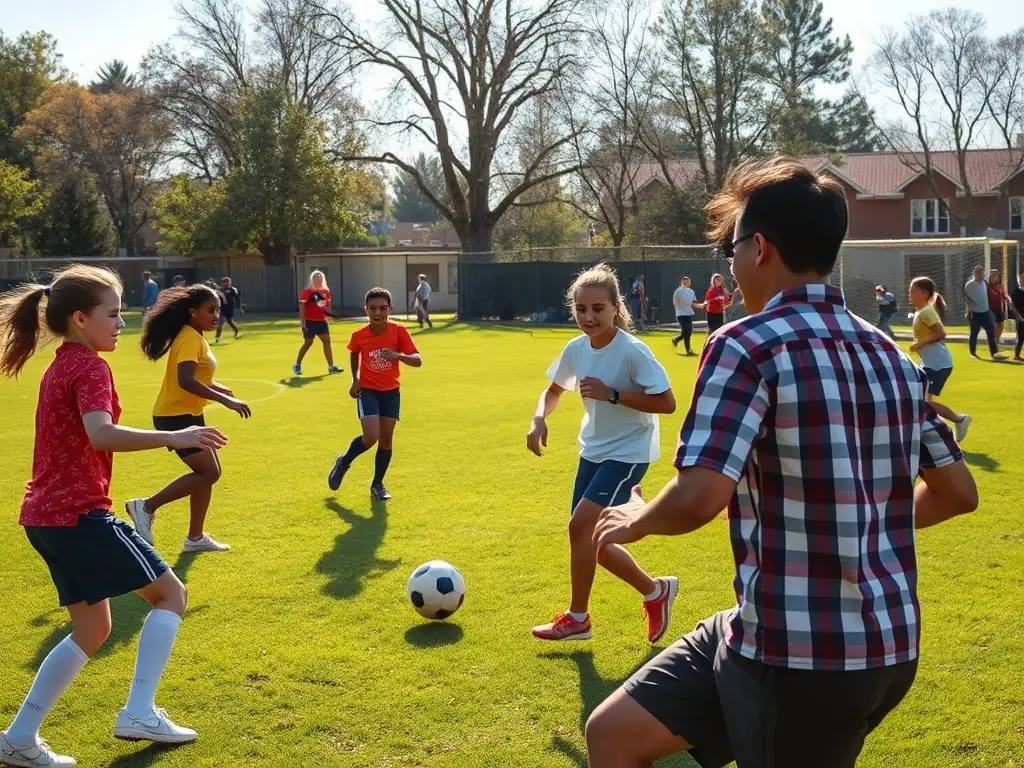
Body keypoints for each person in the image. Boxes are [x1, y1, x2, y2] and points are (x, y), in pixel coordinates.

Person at [584, 157, 978, 768]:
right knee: (613, 735)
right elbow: (957, 492)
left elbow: (699, 497)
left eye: (733, 247)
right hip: (878, 639)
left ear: (759, 247)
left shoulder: (743, 345)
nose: (731, 264)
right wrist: (856, 522)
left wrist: (635, 520)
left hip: (801, 657)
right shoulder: (894, 358)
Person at [0, 266, 228, 767]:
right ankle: (140, 711)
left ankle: (18, 739)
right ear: (80, 319)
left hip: (43, 517)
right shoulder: (89, 367)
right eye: (113, 313)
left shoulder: (61, 364)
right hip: (78, 514)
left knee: (92, 630)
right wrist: (177, 436)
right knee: (171, 594)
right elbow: (101, 433)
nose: (122, 322)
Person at [526, 263, 678, 644]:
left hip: (630, 450)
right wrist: (539, 418)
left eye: (597, 308)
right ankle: (655, 590)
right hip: (593, 450)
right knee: (595, 544)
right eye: (581, 309)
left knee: (580, 528)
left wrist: (612, 393)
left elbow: (667, 402)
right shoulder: (576, 349)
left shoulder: (632, 351)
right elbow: (554, 391)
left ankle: (578, 619)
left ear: (615, 308)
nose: (588, 317)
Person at [124, 284, 252, 555]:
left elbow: (196, 375)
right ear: (192, 312)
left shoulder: (194, 334)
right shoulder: (191, 337)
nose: (216, 316)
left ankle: (195, 538)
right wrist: (225, 400)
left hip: (188, 414)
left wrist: (217, 387)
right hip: (175, 416)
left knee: (206, 474)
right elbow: (185, 381)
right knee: (210, 472)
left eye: (218, 310)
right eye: (210, 310)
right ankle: (145, 506)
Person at [328, 288, 421, 501]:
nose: (377, 312)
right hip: (368, 390)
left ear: (390, 309)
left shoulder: (399, 331)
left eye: (382, 308)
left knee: (386, 439)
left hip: (391, 391)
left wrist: (398, 355)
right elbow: (354, 352)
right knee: (371, 437)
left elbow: (418, 360)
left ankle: (377, 484)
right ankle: (343, 462)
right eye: (372, 309)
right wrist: (355, 380)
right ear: (366, 310)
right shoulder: (359, 335)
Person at [909, 277, 971, 441]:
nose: (909, 294)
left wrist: (919, 344)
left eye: (912, 290)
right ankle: (932, 431)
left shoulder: (927, 312)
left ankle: (960, 419)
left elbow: (941, 333)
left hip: (938, 364)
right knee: (921, 401)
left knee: (924, 403)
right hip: (931, 363)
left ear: (924, 293)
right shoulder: (920, 311)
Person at [294, 270, 342, 376]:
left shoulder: (326, 292)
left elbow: (327, 307)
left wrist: (331, 317)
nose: (318, 278)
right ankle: (297, 364)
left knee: (326, 341)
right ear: (312, 279)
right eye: (315, 276)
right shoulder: (307, 292)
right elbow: (302, 307)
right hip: (310, 322)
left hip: (321, 322)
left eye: (320, 276)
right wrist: (302, 321)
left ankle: (331, 367)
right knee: (308, 343)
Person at [964, 265, 1005, 360]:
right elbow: (967, 299)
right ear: (974, 273)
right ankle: (972, 353)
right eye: (979, 272)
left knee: (991, 332)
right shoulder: (969, 285)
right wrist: (968, 310)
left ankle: (994, 354)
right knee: (974, 333)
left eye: (982, 272)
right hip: (975, 313)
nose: (981, 274)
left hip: (985, 313)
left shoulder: (984, 283)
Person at [671, 276, 701, 355]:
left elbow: (693, 303)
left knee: (688, 331)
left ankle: (676, 339)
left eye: (687, 281)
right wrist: (681, 305)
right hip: (681, 314)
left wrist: (701, 306)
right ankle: (688, 350)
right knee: (686, 331)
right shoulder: (678, 291)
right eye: (684, 281)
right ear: (682, 282)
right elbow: (675, 302)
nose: (686, 283)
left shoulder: (691, 291)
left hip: (688, 313)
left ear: (690, 283)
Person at [988, 268, 1010, 349]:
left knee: (1000, 324)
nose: (994, 276)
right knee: (993, 326)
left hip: (999, 308)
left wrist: (1008, 299)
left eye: (996, 274)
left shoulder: (1000, 285)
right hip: (990, 308)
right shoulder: (988, 286)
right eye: (992, 275)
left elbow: (1004, 294)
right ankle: (993, 343)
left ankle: (996, 340)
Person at [215, 277, 242, 342]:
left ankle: (237, 332)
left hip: (229, 308)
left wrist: (240, 307)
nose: (225, 283)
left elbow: (237, 298)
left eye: (227, 282)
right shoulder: (220, 290)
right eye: (224, 282)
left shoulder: (232, 289)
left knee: (230, 322)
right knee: (220, 323)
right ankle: (217, 338)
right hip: (222, 309)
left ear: (229, 282)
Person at [1010, 272, 1024, 361]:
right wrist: (1017, 315)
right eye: (1022, 278)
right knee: (1021, 337)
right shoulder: (1016, 291)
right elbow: (1012, 305)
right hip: (1020, 317)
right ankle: (1016, 355)